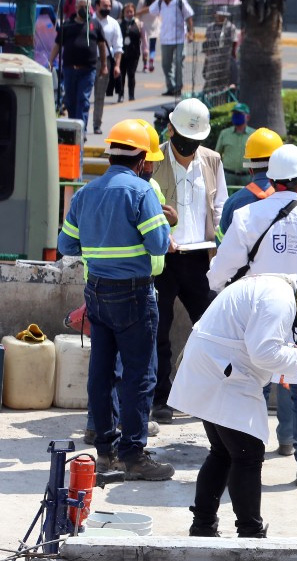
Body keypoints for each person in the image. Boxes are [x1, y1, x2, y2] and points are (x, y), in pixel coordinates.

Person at [208, 144, 297, 487]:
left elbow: (217, 274)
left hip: (255, 319)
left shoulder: (247, 217)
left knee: (249, 389)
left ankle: (246, 458)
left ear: (271, 180)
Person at [170, 275, 297, 537]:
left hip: (213, 365)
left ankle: (203, 527)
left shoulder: (276, 289)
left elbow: (260, 344)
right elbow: (264, 352)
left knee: (222, 452)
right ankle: (250, 533)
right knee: (248, 454)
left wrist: (291, 359)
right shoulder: (279, 300)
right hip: (222, 372)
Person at [57, 119, 174, 481]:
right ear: (141, 159)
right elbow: (157, 245)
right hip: (134, 294)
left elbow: (66, 246)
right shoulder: (141, 193)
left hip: (97, 292)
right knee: (140, 375)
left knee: (101, 372)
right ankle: (134, 455)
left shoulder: (85, 193)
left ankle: (105, 452)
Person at [150, 97, 228, 422]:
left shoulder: (211, 161)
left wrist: (223, 253)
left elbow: (221, 207)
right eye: (183, 139)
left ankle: (204, 394)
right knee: (159, 330)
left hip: (199, 259)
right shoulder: (154, 161)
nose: (188, 147)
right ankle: (160, 398)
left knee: (211, 326)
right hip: (164, 259)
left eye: (195, 141)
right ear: (170, 130)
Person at [50, 0, 107, 131]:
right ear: (76, 8)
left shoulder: (95, 24)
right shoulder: (67, 25)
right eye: (82, 7)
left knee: (83, 100)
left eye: (87, 7)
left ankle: (81, 131)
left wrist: (104, 65)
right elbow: (57, 45)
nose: (85, 10)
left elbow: (101, 46)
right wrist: (50, 61)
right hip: (70, 69)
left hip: (88, 70)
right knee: (70, 101)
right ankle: (72, 128)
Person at [142, 0, 192, 96]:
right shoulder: (160, 3)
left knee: (178, 61)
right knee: (166, 65)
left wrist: (191, 32)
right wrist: (136, 13)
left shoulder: (180, 2)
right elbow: (150, 9)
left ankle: (178, 87)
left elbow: (189, 16)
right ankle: (171, 88)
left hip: (180, 38)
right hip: (166, 38)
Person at [92, 0, 121, 135]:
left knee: (99, 95)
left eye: (109, 6)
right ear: (97, 6)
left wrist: (117, 65)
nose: (108, 8)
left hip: (105, 63)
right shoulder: (89, 21)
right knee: (83, 96)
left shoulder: (113, 24)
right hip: (88, 61)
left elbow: (118, 47)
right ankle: (81, 123)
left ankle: (97, 124)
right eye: (105, 6)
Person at [214, 103, 255, 187]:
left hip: (247, 177)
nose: (236, 116)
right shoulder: (224, 133)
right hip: (228, 176)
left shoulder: (254, 134)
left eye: (239, 114)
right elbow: (217, 156)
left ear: (247, 117)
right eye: (235, 114)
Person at [201, 7, 236, 94]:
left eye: (222, 15)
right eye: (219, 15)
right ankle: (207, 96)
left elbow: (232, 43)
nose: (220, 17)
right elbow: (206, 42)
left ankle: (221, 97)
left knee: (223, 80)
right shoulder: (210, 27)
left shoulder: (230, 27)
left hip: (225, 58)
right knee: (210, 79)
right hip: (212, 58)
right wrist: (207, 55)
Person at [115, 2, 144, 102]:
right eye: (127, 12)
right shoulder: (118, 23)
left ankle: (131, 95)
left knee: (131, 75)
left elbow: (144, 38)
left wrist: (146, 51)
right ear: (124, 13)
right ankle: (120, 95)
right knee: (121, 75)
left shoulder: (139, 23)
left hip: (134, 53)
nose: (129, 14)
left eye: (131, 12)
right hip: (122, 53)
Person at [140, 0, 159, 72]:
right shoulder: (157, 2)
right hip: (154, 27)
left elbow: (138, 13)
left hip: (144, 26)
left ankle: (145, 65)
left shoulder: (142, 2)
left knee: (144, 46)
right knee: (152, 47)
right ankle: (151, 59)